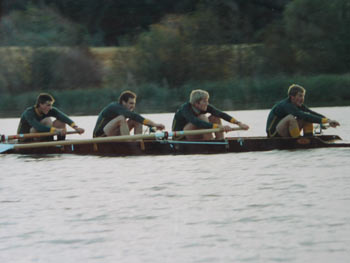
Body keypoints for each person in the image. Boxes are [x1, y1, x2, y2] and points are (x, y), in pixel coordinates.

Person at [266, 84, 340, 137]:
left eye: (303, 96)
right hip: (273, 133)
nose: (302, 98)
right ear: (292, 97)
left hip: (284, 131)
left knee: (307, 116)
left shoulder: (298, 105)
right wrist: (325, 121)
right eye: (300, 96)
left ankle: (309, 138)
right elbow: (302, 115)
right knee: (291, 118)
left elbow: (311, 113)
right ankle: (297, 141)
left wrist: (328, 120)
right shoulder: (286, 105)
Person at [172, 89, 249, 140]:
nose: (207, 103)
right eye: (205, 101)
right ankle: (210, 141)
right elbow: (196, 122)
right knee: (202, 118)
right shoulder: (185, 109)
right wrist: (219, 126)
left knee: (215, 117)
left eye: (207, 101)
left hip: (194, 132)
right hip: (180, 136)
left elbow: (221, 114)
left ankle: (220, 140)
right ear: (196, 103)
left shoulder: (205, 107)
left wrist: (239, 123)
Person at [93, 90, 165, 137]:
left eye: (134, 104)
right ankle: (128, 143)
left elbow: (138, 118)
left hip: (113, 133)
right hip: (100, 135)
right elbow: (135, 116)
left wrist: (152, 126)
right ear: (123, 102)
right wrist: (155, 124)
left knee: (136, 120)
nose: (133, 106)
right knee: (121, 118)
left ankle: (138, 142)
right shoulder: (115, 107)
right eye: (131, 103)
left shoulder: (126, 110)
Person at [17, 93, 85, 140]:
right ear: (40, 104)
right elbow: (37, 126)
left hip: (39, 135)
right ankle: (47, 143)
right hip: (25, 138)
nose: (50, 108)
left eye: (51, 105)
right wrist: (56, 130)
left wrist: (76, 128)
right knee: (48, 120)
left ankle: (60, 144)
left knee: (61, 122)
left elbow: (63, 117)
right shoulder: (29, 113)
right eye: (48, 105)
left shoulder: (50, 110)